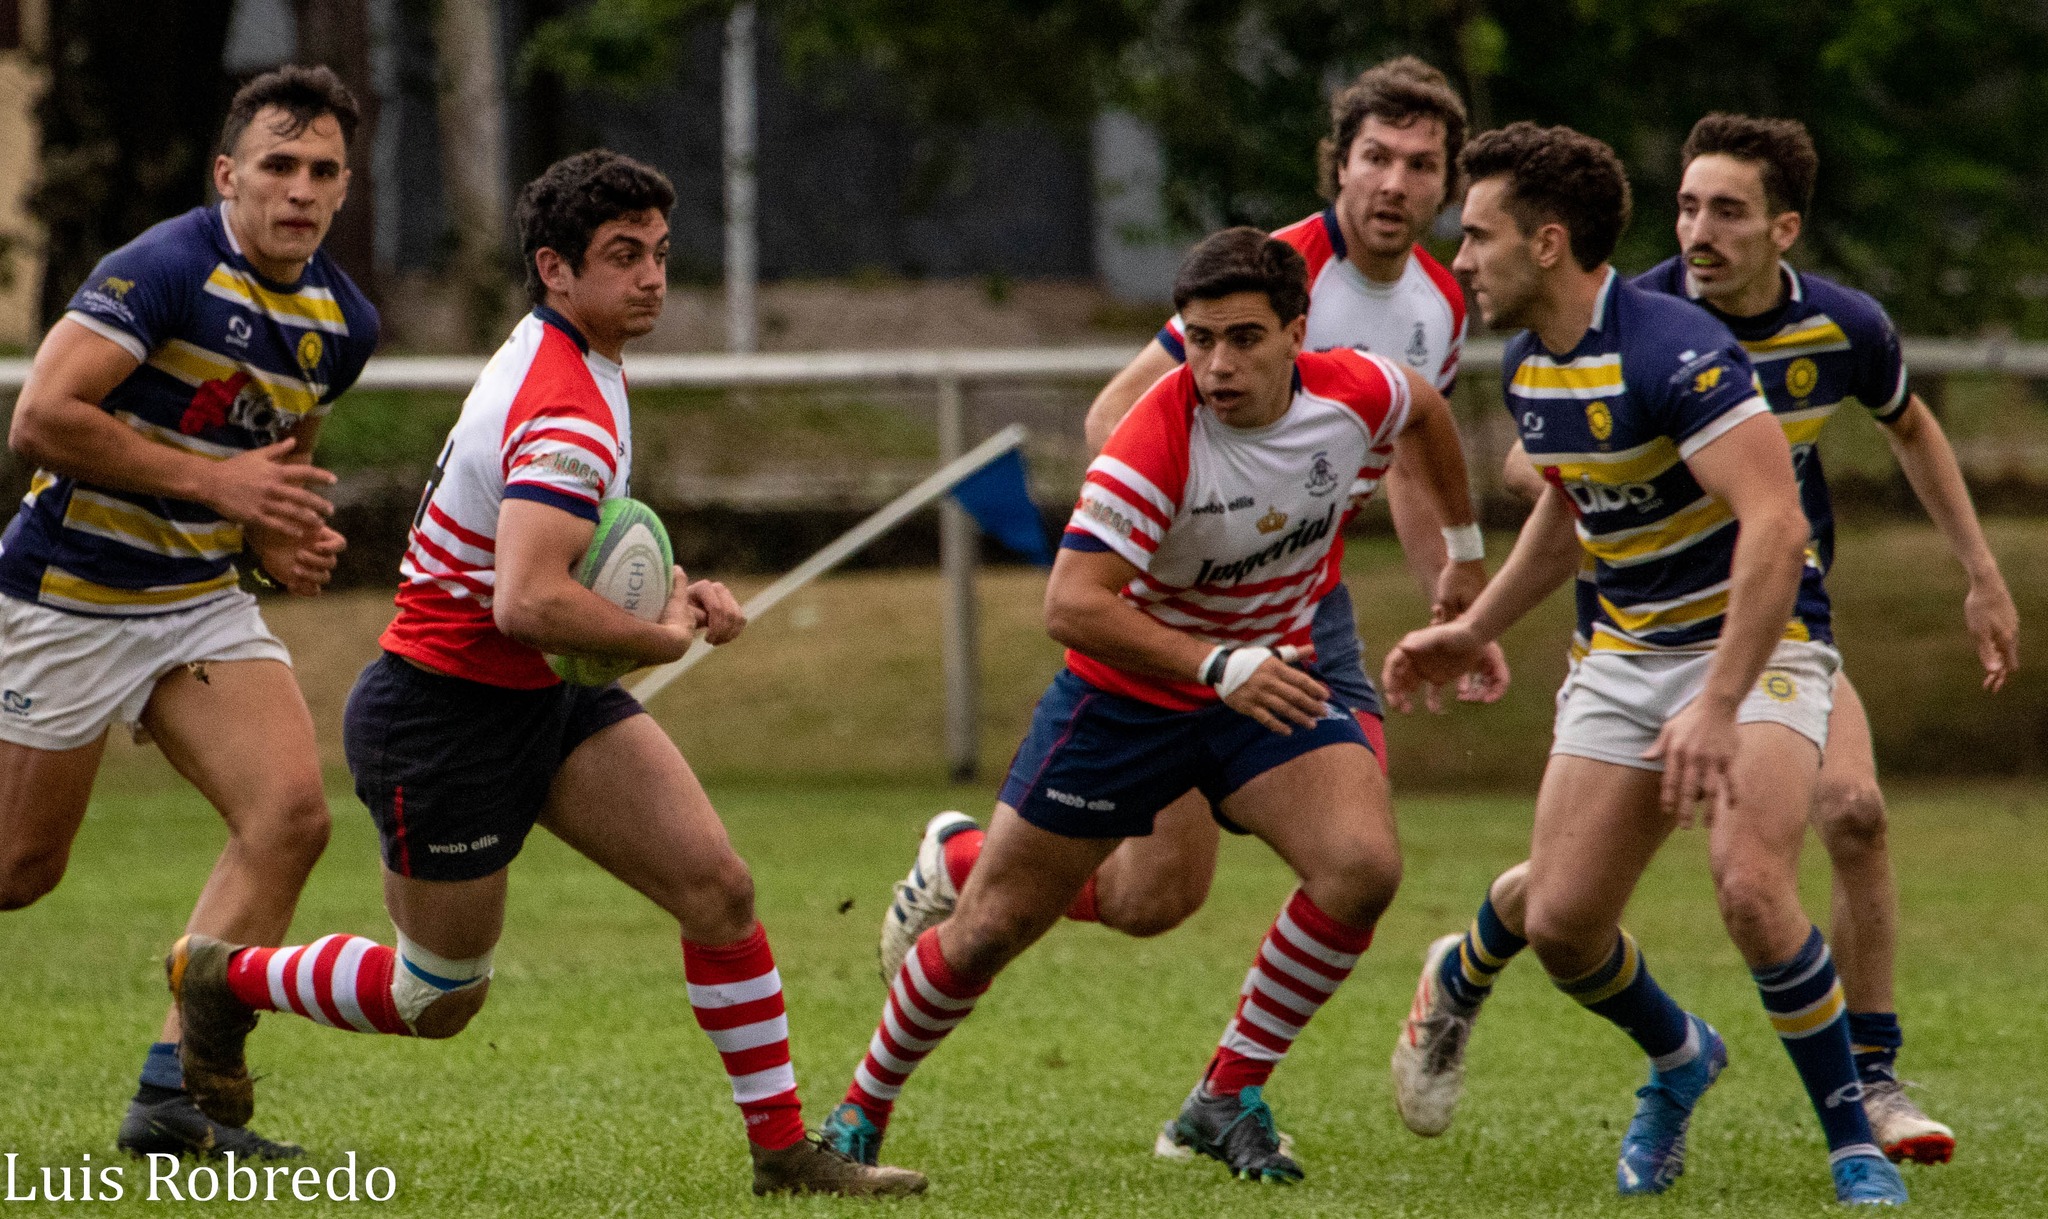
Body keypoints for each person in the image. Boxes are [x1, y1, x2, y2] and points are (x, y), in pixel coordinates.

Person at [157, 149, 925, 1197]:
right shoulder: (565, 398)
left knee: (719, 888)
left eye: (658, 252)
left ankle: (782, 1151)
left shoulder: (575, 355)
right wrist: (662, 636)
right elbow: (526, 600)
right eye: (623, 256)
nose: (652, 276)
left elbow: (583, 547)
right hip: (442, 714)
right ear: (554, 269)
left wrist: (676, 590)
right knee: (438, 994)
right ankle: (221, 973)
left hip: (544, 692)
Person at [1397, 113, 2018, 1168]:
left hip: (1765, 630)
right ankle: (1646, 1038)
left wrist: (1977, 570)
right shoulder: (1564, 343)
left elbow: (1811, 500)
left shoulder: (1790, 334)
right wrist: (1473, 623)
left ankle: (1861, 1113)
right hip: (1625, 645)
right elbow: (1563, 490)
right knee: (1558, 917)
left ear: (1781, 229)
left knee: (1795, 851)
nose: (1697, 230)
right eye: (1685, 205)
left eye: (1724, 209)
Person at [819, 226, 1487, 1184]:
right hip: (1131, 696)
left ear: (1300, 331)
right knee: (995, 926)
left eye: (1245, 338)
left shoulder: (1359, 391)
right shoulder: (1154, 442)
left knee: (1362, 864)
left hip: (1271, 678)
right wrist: (1218, 665)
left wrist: (1462, 544)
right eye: (1201, 337)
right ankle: (858, 1112)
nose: (1218, 363)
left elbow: (1425, 410)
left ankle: (1223, 1096)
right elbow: (1070, 605)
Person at [877, 56, 1505, 991]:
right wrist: (1174, 567)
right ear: (1338, 166)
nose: (1395, 182)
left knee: (1350, 861)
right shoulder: (1272, 278)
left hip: (1308, 605)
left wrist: (1450, 585)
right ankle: (967, 862)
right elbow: (1113, 419)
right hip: (1189, 611)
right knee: (1153, 896)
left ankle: (1229, 1091)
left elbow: (1407, 447)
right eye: (1377, 156)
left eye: (1421, 165)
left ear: (1448, 184)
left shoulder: (1441, 303)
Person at [0, 65, 374, 1160]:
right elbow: (42, 418)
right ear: (229, 174)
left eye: (322, 171)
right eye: (277, 166)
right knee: (20, 871)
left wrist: (278, 531)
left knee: (291, 818)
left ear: (345, 187)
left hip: (196, 608)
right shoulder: (162, 268)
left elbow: (279, 447)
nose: (298, 189)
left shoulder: (343, 321)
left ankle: (175, 1096)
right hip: (67, 595)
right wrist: (219, 490)